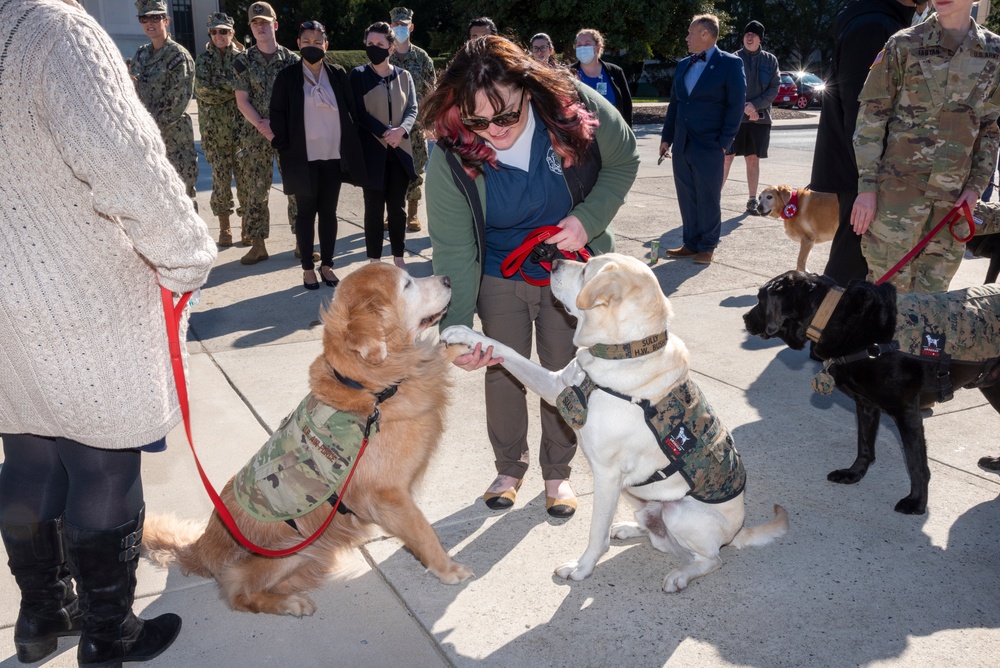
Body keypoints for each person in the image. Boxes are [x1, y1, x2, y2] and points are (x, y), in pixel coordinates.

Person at [0, 0, 216, 665]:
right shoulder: (53, 29)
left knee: (29, 457)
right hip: (77, 299)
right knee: (102, 469)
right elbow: (122, 156)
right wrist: (187, 253)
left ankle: (40, 618)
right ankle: (108, 636)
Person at [422, 36, 639, 518]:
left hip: (571, 268)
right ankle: (508, 468)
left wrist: (588, 218)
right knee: (501, 368)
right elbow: (454, 248)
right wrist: (456, 333)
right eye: (478, 120)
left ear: (528, 88)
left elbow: (625, 160)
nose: (493, 131)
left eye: (506, 116)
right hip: (499, 271)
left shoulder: (571, 105)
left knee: (564, 372)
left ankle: (557, 475)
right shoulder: (450, 149)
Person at [851, 0, 1000, 294]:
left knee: (932, 305)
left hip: (953, 204)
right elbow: (871, 119)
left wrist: (976, 186)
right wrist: (866, 187)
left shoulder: (994, 52)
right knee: (886, 299)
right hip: (898, 200)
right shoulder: (904, 44)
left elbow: (990, 127)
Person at [810, 0, 916, 288]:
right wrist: (869, 182)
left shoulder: (885, 19)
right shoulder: (874, 25)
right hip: (865, 172)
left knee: (862, 266)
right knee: (850, 265)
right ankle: (821, 329)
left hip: (868, 170)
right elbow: (863, 112)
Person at [270, 21, 367, 290]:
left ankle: (327, 265)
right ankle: (307, 268)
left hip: (332, 156)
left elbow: (351, 110)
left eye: (317, 41)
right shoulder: (288, 76)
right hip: (302, 158)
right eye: (307, 41)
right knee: (305, 213)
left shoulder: (337, 74)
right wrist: (283, 144)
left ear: (326, 44)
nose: (312, 45)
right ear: (298, 43)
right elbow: (276, 114)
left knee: (328, 212)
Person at [660, 14, 746, 265]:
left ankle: (707, 245)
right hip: (683, 142)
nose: (686, 38)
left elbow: (736, 105)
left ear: (706, 34)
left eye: (690, 33)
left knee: (708, 196)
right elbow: (675, 103)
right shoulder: (683, 65)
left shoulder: (730, 64)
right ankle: (691, 242)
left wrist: (723, 142)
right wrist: (667, 137)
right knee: (687, 195)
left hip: (710, 144)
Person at [233, 1, 299, 265]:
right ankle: (258, 245)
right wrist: (262, 123)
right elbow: (241, 99)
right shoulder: (243, 61)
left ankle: (301, 242)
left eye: (265, 22)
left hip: (287, 135)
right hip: (255, 135)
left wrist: (278, 126)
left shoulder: (292, 60)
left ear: (275, 24)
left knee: (295, 187)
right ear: (250, 27)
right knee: (255, 190)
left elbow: (298, 99)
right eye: (255, 23)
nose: (260, 27)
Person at [350, 22, 418, 268]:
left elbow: (412, 108)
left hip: (399, 150)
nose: (374, 48)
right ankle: (374, 261)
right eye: (370, 44)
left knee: (397, 208)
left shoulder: (404, 76)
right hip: (372, 152)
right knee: (374, 208)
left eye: (380, 44)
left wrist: (401, 130)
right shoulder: (358, 75)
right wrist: (384, 131)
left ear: (391, 47)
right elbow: (357, 111)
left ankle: (399, 258)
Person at [129, 0, 198, 204]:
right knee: (155, 200)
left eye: (155, 17)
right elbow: (131, 93)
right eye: (144, 18)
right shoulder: (141, 54)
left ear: (166, 20)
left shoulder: (178, 56)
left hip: (174, 142)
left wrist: (147, 129)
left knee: (182, 198)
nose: (150, 22)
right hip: (147, 143)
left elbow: (176, 103)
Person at [195, 11, 244, 247]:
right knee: (221, 183)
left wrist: (223, 88)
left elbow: (247, 89)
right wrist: (233, 90)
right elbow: (203, 91)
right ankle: (225, 228)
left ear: (231, 34)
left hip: (241, 132)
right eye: (214, 32)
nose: (218, 35)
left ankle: (248, 226)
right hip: (215, 134)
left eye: (223, 31)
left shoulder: (243, 59)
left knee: (246, 182)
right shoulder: (203, 61)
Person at [721, 20, 780, 215]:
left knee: (752, 159)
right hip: (734, 119)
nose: (749, 37)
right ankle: (713, 197)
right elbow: (725, 87)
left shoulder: (770, 60)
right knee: (726, 158)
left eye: (753, 35)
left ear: (760, 38)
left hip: (759, 119)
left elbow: (774, 88)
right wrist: (744, 107)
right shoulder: (733, 59)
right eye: (746, 34)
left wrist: (754, 106)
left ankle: (752, 200)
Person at [389, 7, 437, 232]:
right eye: (396, 25)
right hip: (389, 126)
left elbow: (433, 91)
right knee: (391, 169)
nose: (400, 28)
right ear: (391, 27)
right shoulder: (384, 56)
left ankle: (413, 213)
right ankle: (393, 212)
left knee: (416, 169)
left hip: (416, 126)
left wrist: (431, 122)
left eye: (404, 24)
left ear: (411, 27)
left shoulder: (422, 58)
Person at [571, 28, 633, 127]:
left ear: (598, 47)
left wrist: (628, 136)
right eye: (579, 45)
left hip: (611, 135)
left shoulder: (615, 72)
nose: (582, 48)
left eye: (587, 44)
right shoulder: (567, 73)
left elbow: (626, 106)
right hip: (579, 136)